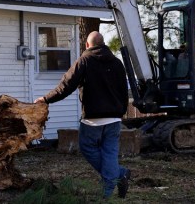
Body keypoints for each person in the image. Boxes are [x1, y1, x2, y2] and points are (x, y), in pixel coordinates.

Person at [34, 31, 131, 198]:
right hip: (114, 118)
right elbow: (124, 90)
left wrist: (45, 99)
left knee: (87, 148)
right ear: (103, 43)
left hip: (93, 118)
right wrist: (121, 111)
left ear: (87, 45)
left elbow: (65, 86)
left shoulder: (84, 61)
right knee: (109, 153)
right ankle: (117, 175)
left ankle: (109, 189)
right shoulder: (117, 63)